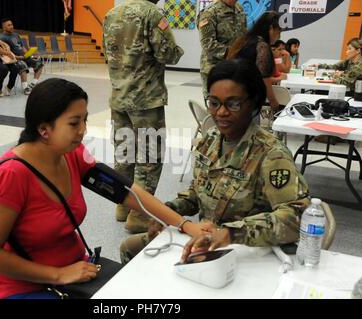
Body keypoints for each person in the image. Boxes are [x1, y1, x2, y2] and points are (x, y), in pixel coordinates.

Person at [0, 78, 206, 299]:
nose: (83, 130)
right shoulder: (10, 176)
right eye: (74, 123)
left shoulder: (72, 154)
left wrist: (185, 225)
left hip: (78, 272)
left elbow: (127, 192)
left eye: (85, 120)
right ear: (44, 129)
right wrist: (58, 275)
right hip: (28, 287)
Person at [120, 59, 310, 265]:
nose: (221, 112)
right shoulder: (210, 139)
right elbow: (196, 194)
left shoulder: (271, 154)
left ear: (253, 102)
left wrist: (231, 233)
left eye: (233, 104)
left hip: (247, 251)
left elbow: (296, 218)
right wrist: (167, 211)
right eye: (214, 103)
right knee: (130, 248)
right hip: (205, 241)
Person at [103, 0, 184, 233]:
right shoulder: (152, 14)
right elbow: (168, 53)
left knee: (124, 153)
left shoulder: (112, 13)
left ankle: (122, 206)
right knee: (149, 157)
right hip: (146, 99)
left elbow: (109, 52)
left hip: (119, 95)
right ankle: (139, 215)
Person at [227, 11, 282, 110]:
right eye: (278, 32)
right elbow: (264, 78)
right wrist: (273, 101)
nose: (279, 36)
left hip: (231, 92)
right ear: (271, 28)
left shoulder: (245, 40)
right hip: (246, 98)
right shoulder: (262, 46)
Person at [197, 0, 247, 101]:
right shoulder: (210, 12)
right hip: (215, 69)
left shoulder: (239, 9)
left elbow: (243, 37)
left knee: (234, 105)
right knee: (216, 107)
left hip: (235, 68)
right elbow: (207, 44)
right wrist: (231, 53)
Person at [0, 19, 44, 95]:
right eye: (8, 25)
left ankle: (33, 84)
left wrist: (28, 53)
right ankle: (25, 88)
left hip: (24, 57)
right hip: (13, 59)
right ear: (4, 27)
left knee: (39, 63)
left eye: (11, 24)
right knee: (22, 65)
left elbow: (22, 47)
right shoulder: (2, 38)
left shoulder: (16, 35)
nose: (11, 26)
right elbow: (6, 53)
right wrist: (18, 57)